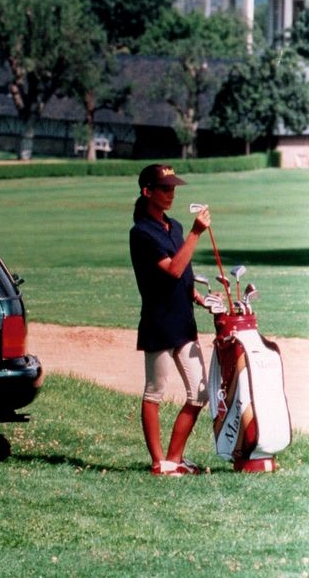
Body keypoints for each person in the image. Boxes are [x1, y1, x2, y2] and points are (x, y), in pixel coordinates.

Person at [129, 164, 213, 476]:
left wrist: (197, 296)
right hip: (159, 323)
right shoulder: (141, 233)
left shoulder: (174, 227)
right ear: (147, 192)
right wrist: (196, 232)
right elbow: (173, 269)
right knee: (155, 392)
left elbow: (184, 274)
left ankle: (175, 459)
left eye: (173, 188)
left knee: (200, 392)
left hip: (183, 321)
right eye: (164, 188)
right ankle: (158, 462)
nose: (171, 193)